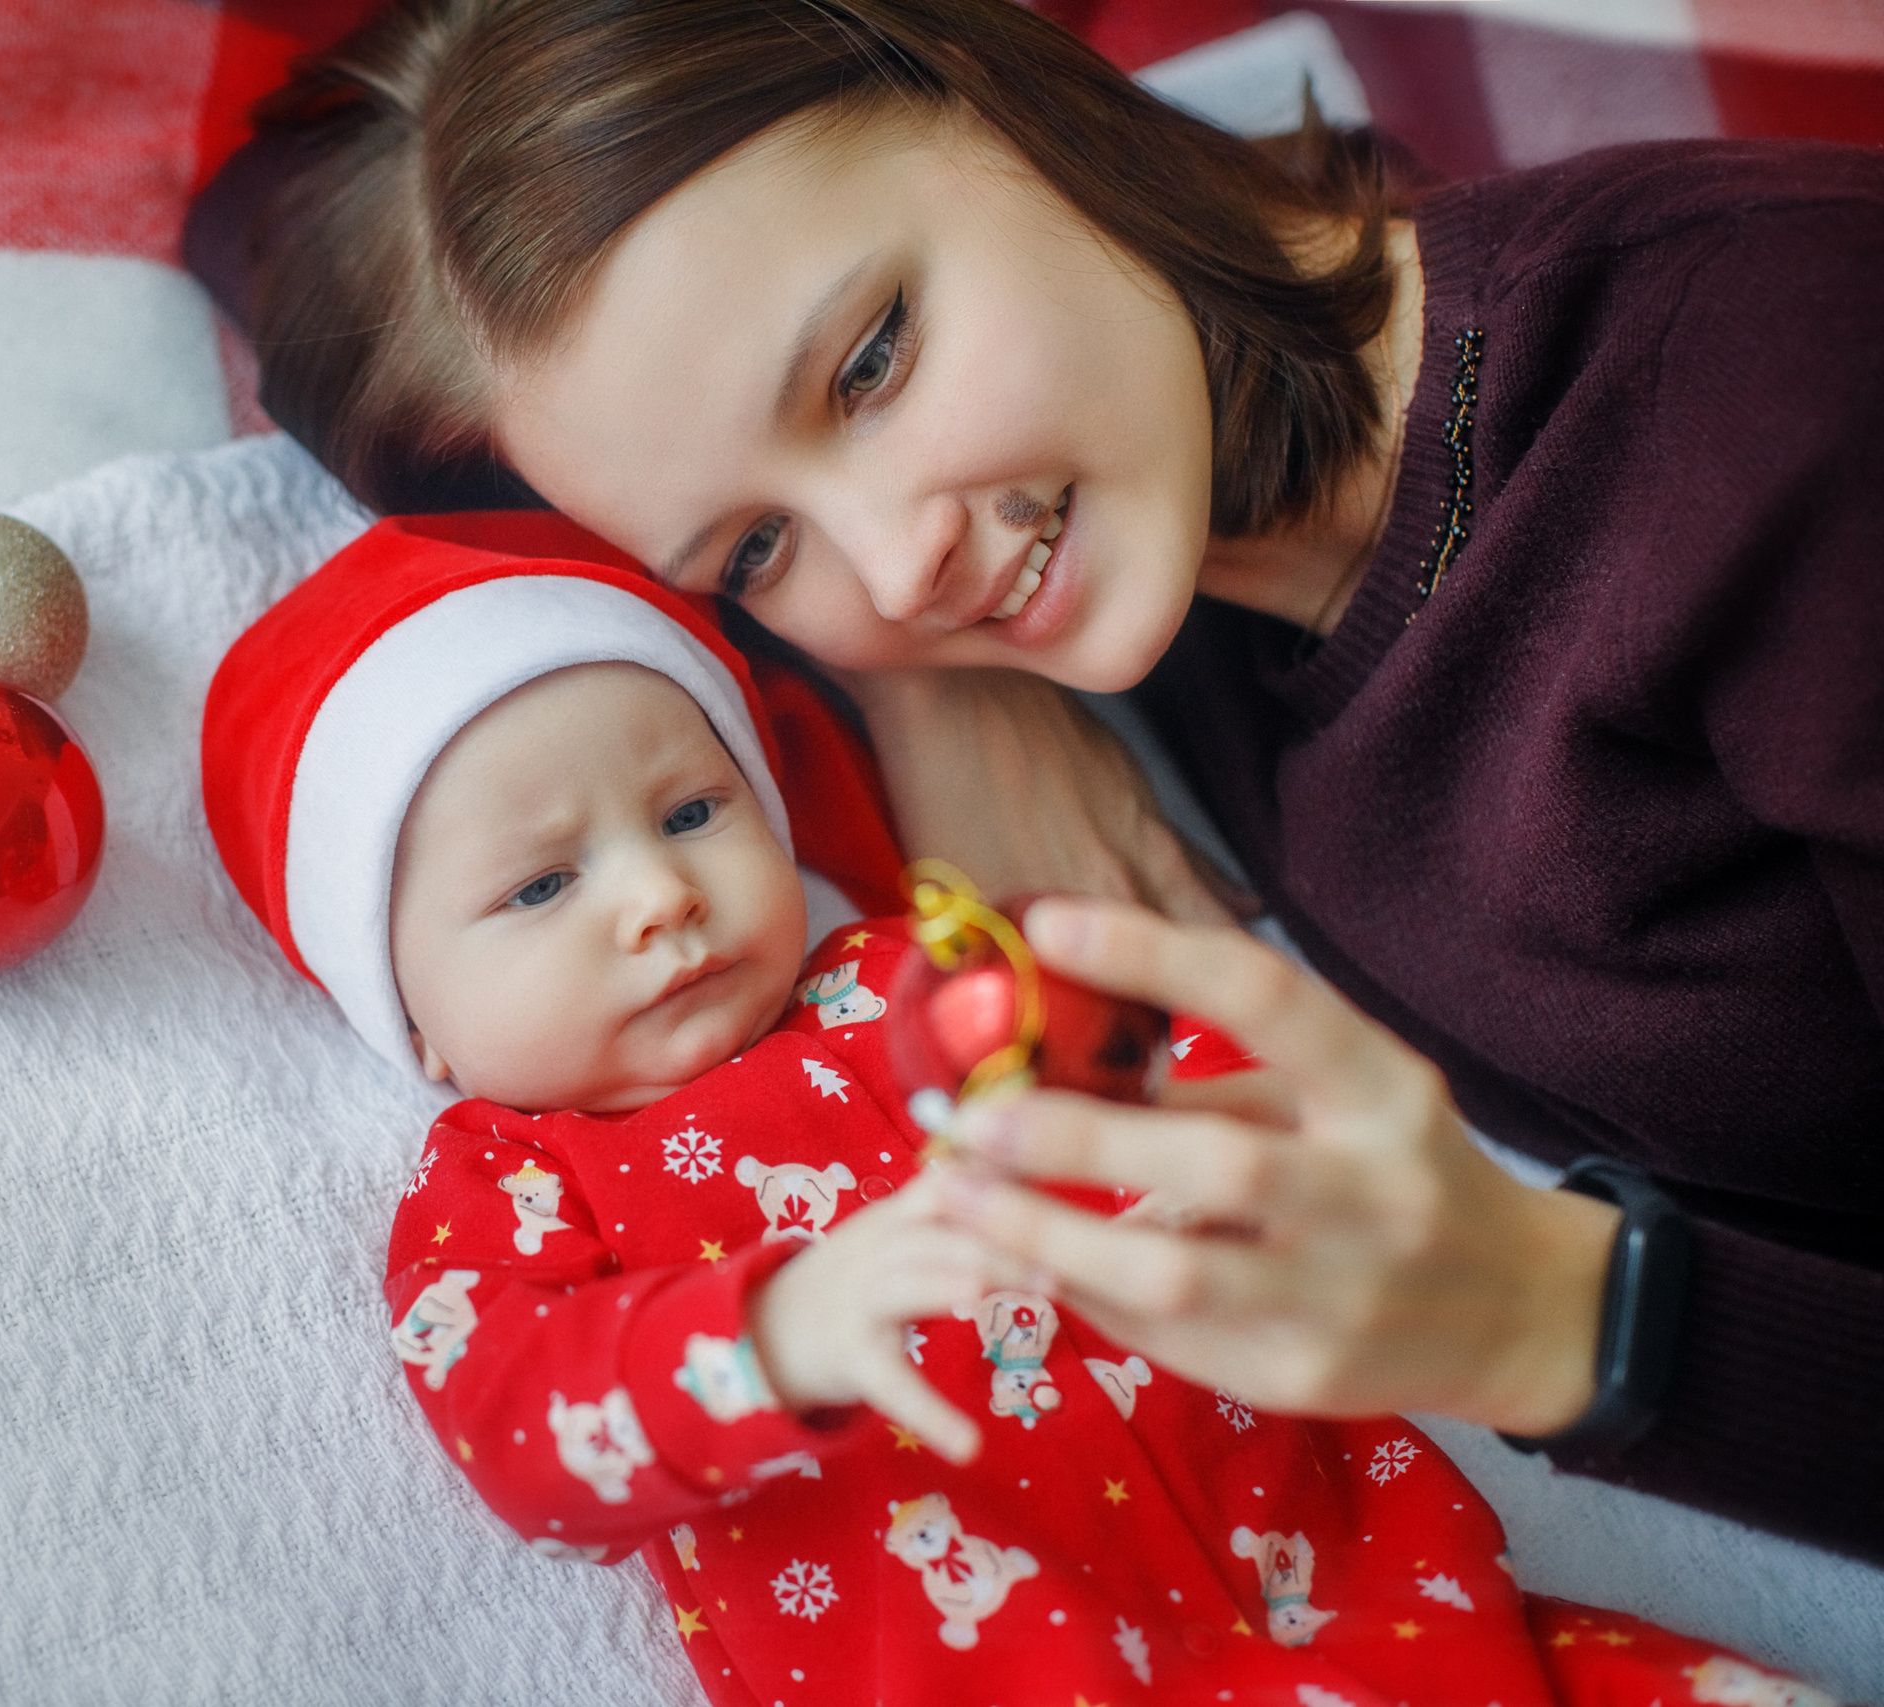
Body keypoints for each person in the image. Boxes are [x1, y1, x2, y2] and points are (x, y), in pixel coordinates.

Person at [224, 0, 1884, 1563]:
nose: (895, 565)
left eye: (871, 363)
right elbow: (282, 246)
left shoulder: (1782, 391)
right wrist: (928, 685)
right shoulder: (1141, 523)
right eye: (758, 548)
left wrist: (1566, 1318)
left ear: (999, 84)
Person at [198, 511, 1808, 1707]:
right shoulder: (506, 1186)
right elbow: (524, 1429)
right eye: (542, 884)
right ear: (415, 1022)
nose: (657, 899)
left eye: (692, 810)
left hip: (1400, 1616)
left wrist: (1251, 1150)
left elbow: (1174, 1067)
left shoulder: (919, 977)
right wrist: (774, 1334)